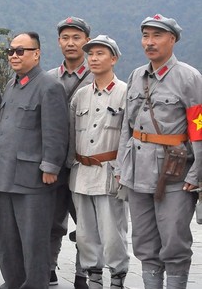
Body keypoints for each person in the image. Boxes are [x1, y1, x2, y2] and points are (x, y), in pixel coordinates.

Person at [117, 15, 202, 289]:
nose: (149, 42)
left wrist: (197, 172)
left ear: (172, 39)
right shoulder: (136, 75)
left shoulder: (189, 78)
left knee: (174, 242)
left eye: (157, 35)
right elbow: (126, 127)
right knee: (143, 242)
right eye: (145, 36)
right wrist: (121, 166)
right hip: (137, 172)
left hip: (175, 175)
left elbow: (199, 128)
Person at [0, 32, 68, 289]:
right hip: (3, 174)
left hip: (32, 177)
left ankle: (34, 284)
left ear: (37, 53)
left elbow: (56, 131)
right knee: (5, 236)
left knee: (33, 238)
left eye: (21, 50)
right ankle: (13, 281)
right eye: (11, 51)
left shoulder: (49, 86)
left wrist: (50, 166)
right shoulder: (12, 84)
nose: (14, 55)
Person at [68, 35, 129, 289]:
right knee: (85, 233)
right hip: (81, 172)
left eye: (100, 53)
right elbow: (70, 136)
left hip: (110, 173)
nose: (93, 58)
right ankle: (93, 280)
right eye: (90, 54)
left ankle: (117, 279)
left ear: (113, 58)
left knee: (113, 233)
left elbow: (129, 135)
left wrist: (124, 172)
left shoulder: (126, 93)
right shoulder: (80, 96)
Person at [47, 16, 93, 288]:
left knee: (85, 224)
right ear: (59, 42)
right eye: (65, 38)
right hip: (54, 164)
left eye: (77, 37)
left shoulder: (97, 76)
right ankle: (49, 268)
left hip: (84, 164)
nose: (71, 43)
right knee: (52, 223)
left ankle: (81, 274)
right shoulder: (48, 78)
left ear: (87, 41)